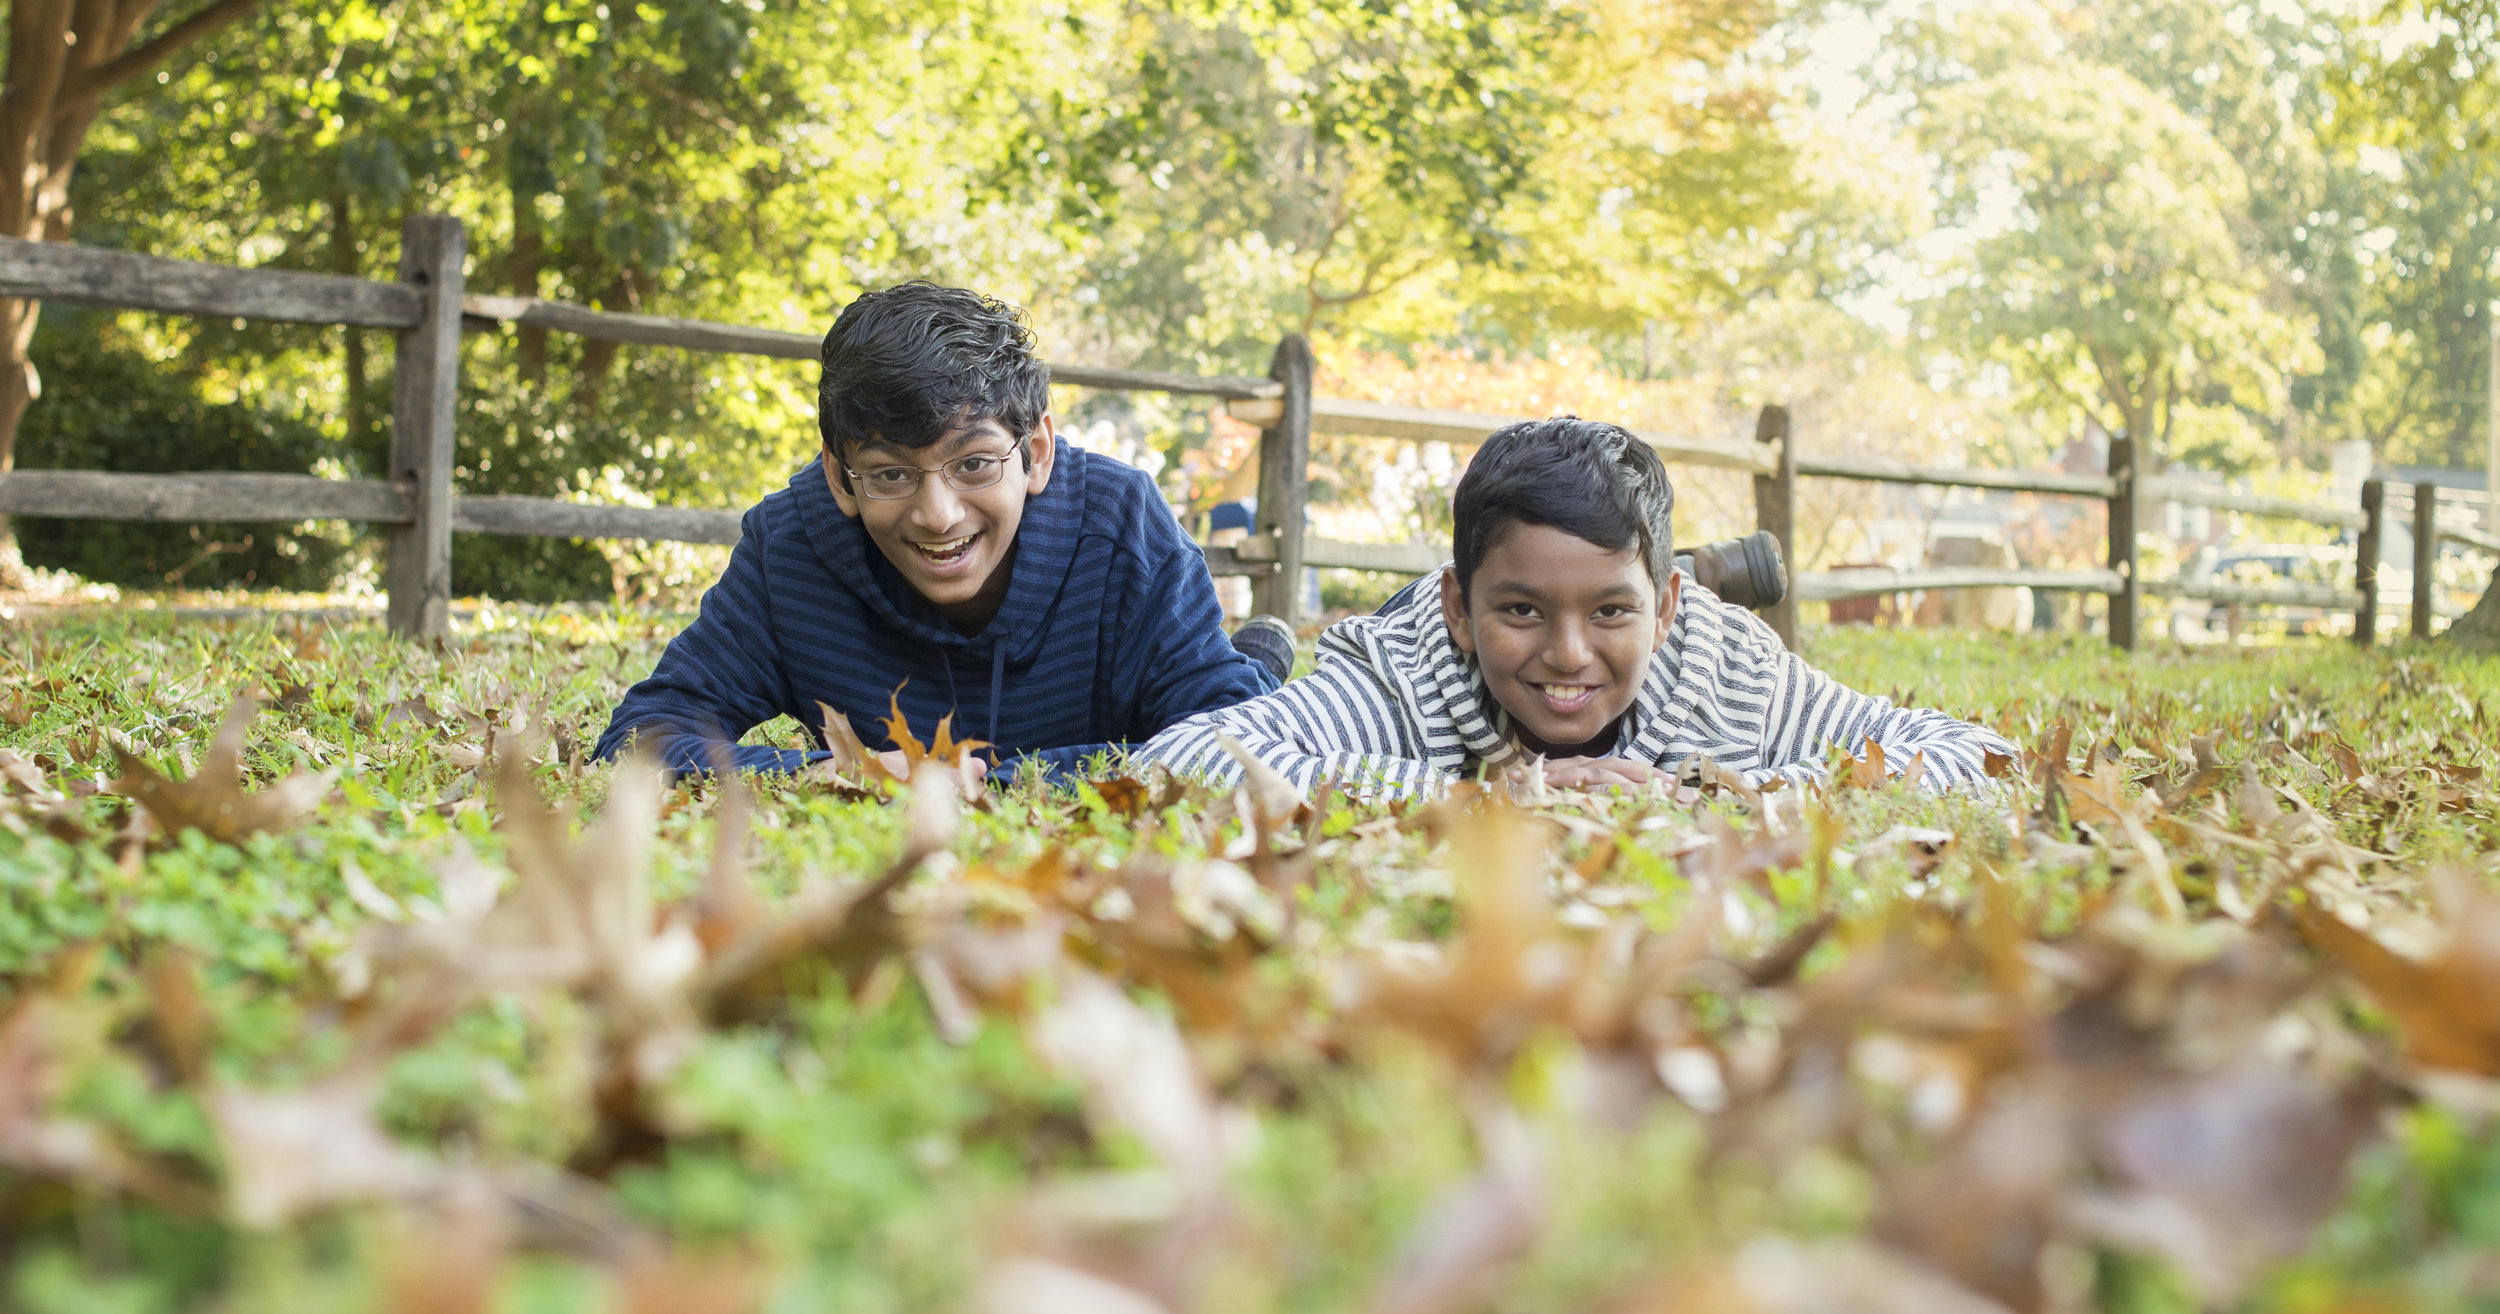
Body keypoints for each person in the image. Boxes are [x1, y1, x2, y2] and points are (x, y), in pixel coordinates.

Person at [594, 282, 1295, 781]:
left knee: (1255, 696)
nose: (938, 514)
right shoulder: (789, 546)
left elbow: (1229, 746)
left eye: (975, 464)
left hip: (1160, 674)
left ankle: (1257, 660)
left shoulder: (1120, 521)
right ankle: (1257, 656)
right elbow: (638, 739)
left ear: (1037, 452)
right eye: (891, 474)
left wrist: (969, 781)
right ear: (839, 475)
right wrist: (839, 771)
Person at [1134, 417, 2014, 797]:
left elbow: (1978, 753)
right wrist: (1475, 798)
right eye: (1519, 611)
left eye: (1610, 613)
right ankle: (1263, 660)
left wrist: (1733, 793)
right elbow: (1177, 758)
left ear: (1668, 609)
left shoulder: (1725, 667)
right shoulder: (1405, 674)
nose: (1567, 654)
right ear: (1457, 606)